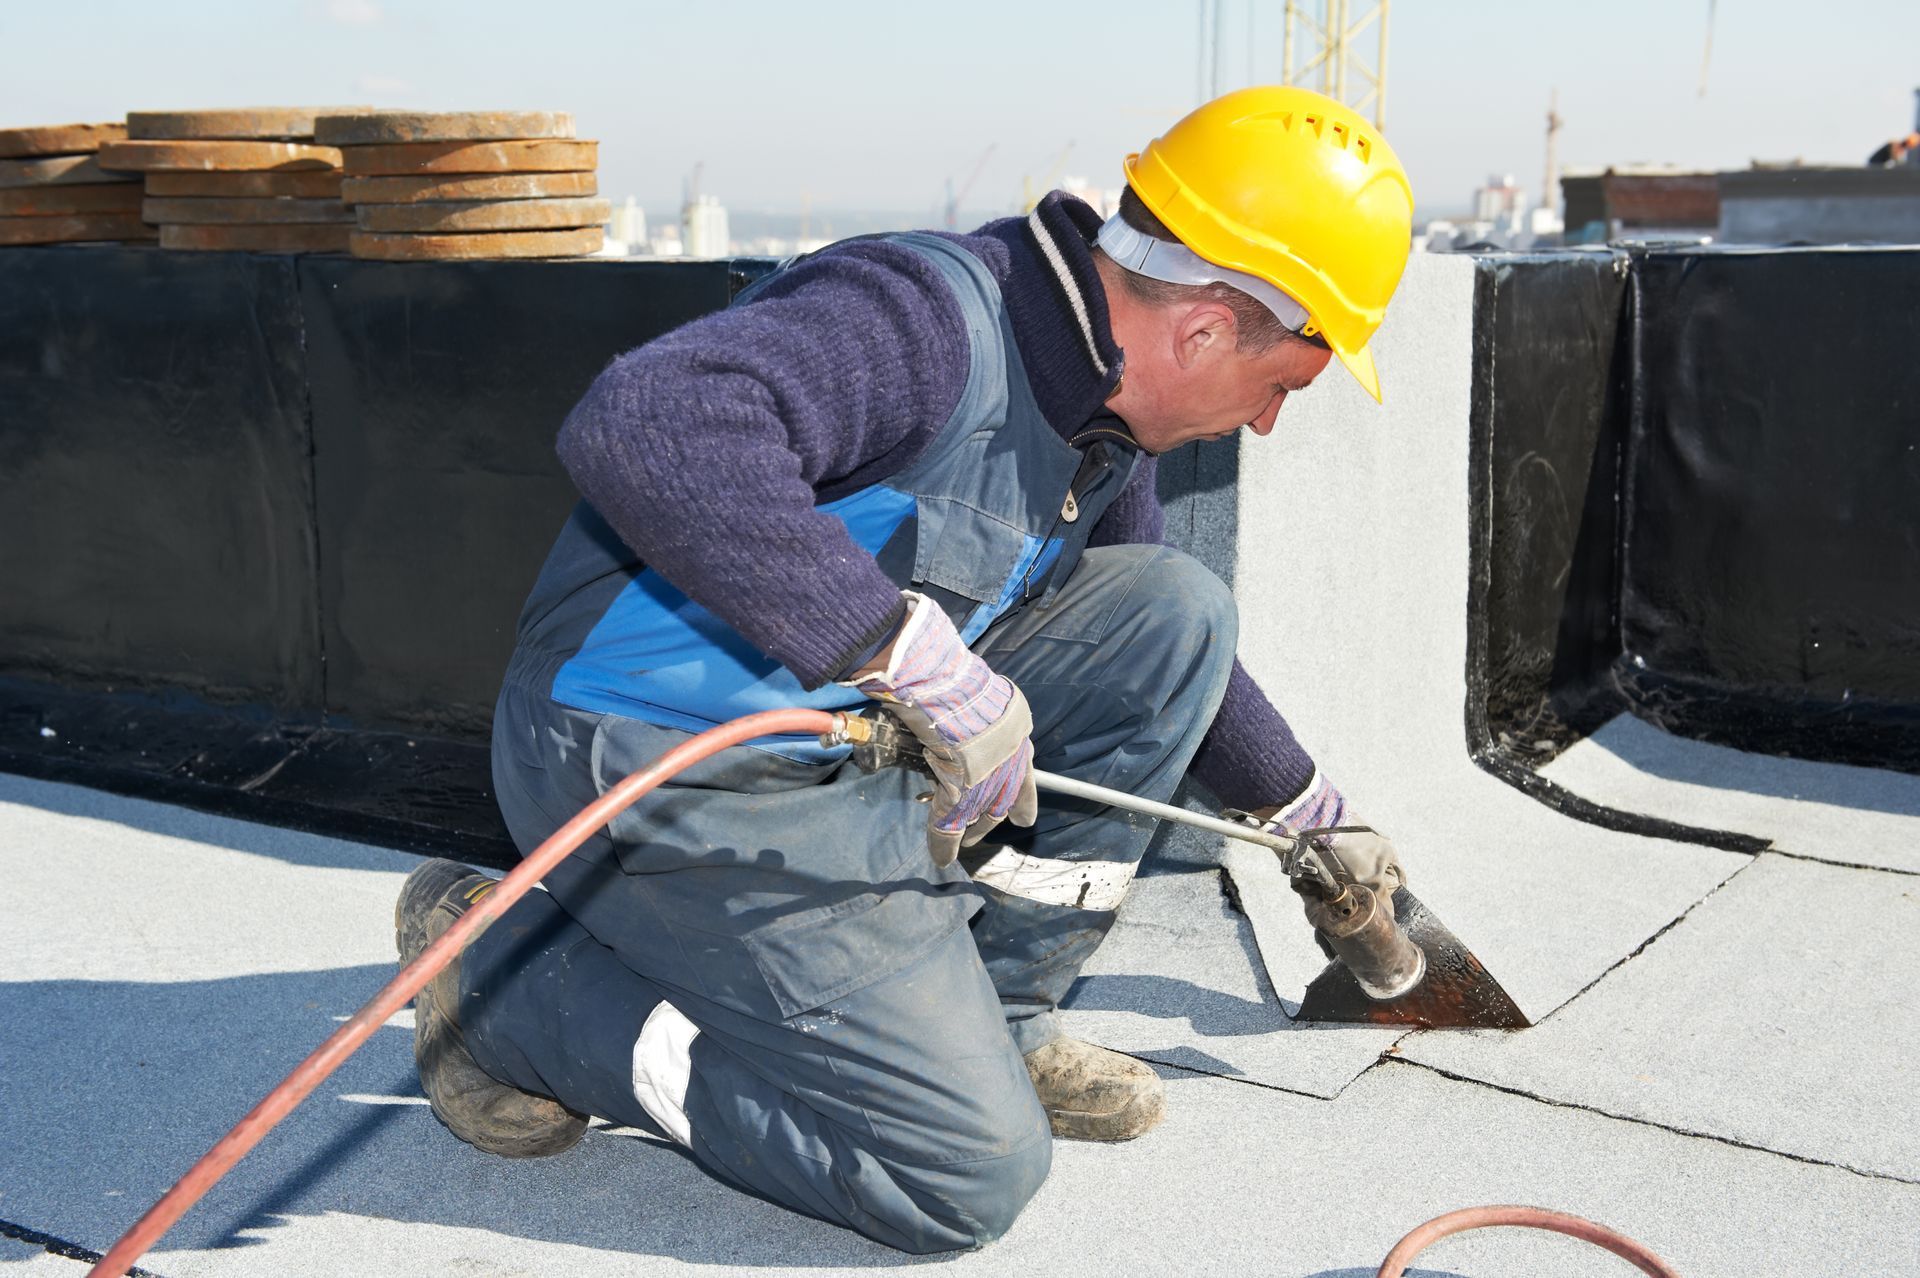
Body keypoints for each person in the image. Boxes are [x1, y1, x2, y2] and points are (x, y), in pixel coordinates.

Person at [395, 86, 1414, 1253]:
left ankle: (1004, 1018)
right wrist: (894, 644)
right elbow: (646, 421)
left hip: (831, 760)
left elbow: (1155, 649)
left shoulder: (1102, 417)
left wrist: (1299, 805)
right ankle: (518, 997)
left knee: (1175, 610)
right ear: (1204, 331)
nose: (1269, 423)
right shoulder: (920, 323)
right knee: (959, 1175)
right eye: (1284, 386)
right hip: (649, 760)